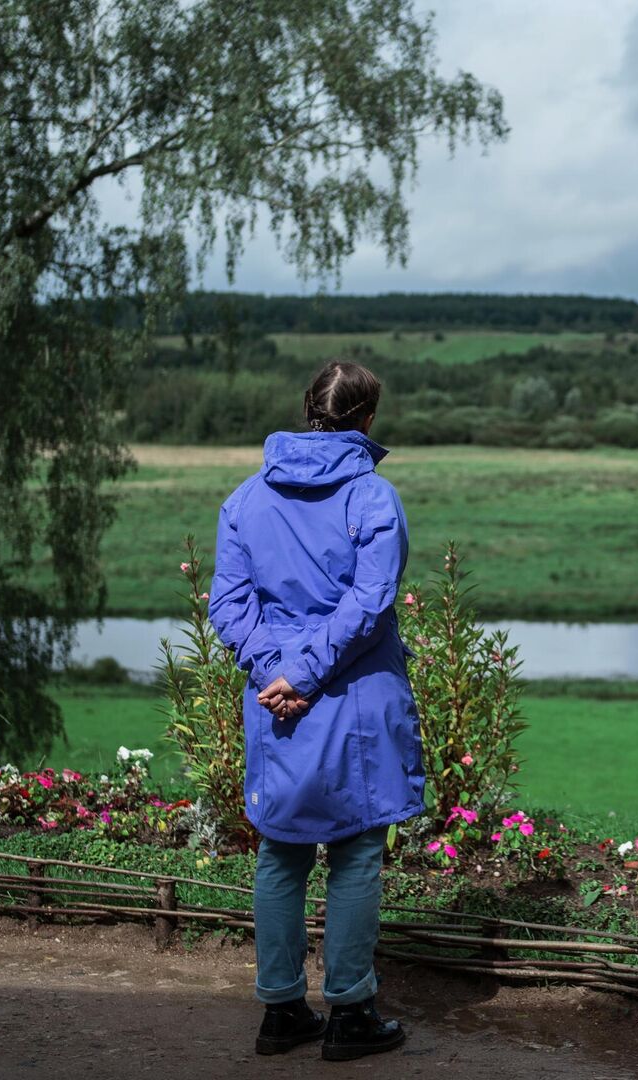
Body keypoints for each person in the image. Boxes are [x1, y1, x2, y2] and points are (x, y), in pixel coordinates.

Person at [208, 360, 424, 1061]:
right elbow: (369, 604)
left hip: (278, 704)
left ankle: (280, 1013)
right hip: (352, 694)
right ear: (367, 421)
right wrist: (305, 672)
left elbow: (229, 606)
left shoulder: (245, 499)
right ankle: (351, 1012)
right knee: (358, 849)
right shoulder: (372, 497)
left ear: (309, 412)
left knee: (282, 848)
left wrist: (277, 673)